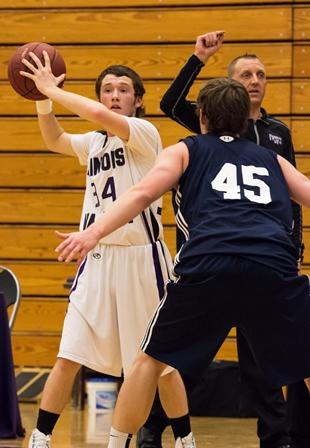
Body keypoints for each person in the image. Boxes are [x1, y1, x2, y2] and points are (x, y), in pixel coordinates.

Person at [54, 77, 310, 448]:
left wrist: (92, 233)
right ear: (245, 121)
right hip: (272, 265)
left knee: (148, 362)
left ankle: (118, 443)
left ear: (202, 115)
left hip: (209, 264)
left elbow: (142, 193)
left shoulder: (184, 149)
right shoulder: (272, 159)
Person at [20, 52, 195, 448]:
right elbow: (54, 139)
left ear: (137, 101)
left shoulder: (145, 134)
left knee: (160, 365)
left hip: (142, 259)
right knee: (69, 353)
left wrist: (51, 88)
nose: (114, 95)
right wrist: (42, 99)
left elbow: (100, 117)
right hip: (96, 258)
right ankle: (40, 438)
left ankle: (186, 439)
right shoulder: (95, 143)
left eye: (123, 90)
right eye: (107, 90)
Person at [140, 30, 304, 448]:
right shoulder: (205, 126)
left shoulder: (276, 133)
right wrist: (198, 58)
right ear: (230, 85)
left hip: (265, 256)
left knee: (263, 359)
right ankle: (152, 428)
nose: (254, 80)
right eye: (246, 74)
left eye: (261, 74)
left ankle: (277, 436)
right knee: (182, 357)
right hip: (209, 255)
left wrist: (295, 249)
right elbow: (169, 105)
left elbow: (292, 195)